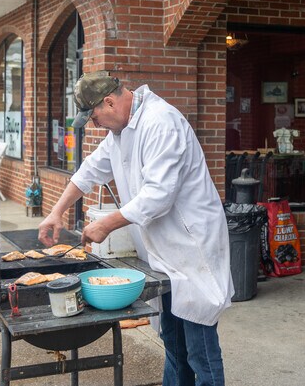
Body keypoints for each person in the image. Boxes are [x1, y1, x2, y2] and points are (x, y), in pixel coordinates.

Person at [38, 71, 234, 386]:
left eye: (94, 116)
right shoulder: (121, 131)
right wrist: (56, 212)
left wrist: (107, 224)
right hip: (163, 250)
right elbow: (90, 170)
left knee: (199, 347)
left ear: (110, 102)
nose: (94, 124)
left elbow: (159, 196)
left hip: (191, 244)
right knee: (172, 339)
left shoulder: (160, 122)